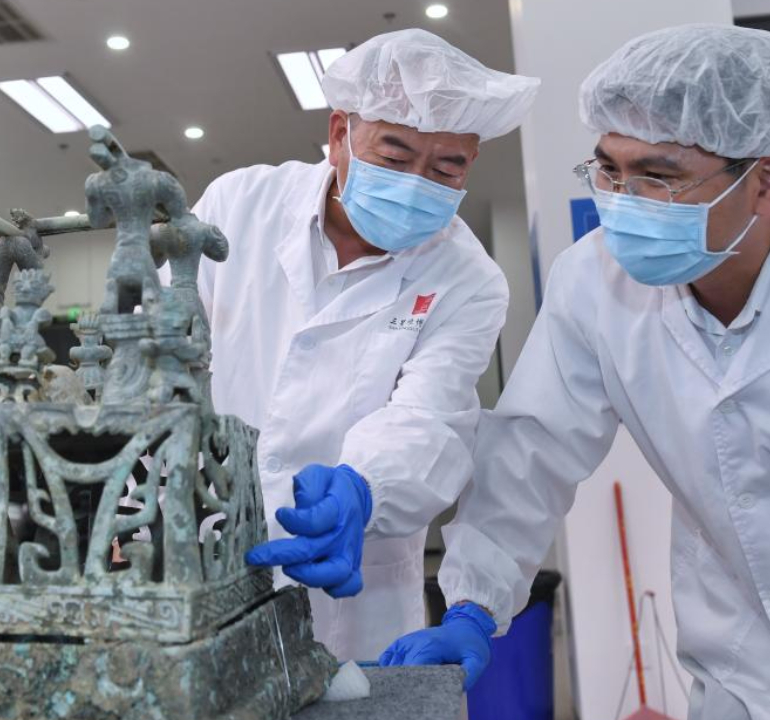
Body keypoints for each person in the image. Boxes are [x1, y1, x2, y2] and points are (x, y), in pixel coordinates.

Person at [383, 23, 770, 716]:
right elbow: (531, 452)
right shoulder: (593, 283)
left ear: (767, 181)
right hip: (734, 668)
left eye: (658, 177)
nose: (622, 202)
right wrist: (472, 607)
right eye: (608, 169)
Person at [184, 28, 540, 662]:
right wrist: (139, 506)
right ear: (339, 133)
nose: (417, 183)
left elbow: (430, 416)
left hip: (358, 583)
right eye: (396, 157)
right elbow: (162, 364)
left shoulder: (468, 278)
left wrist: (362, 487)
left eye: (446, 167)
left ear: (471, 163)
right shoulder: (240, 205)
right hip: (203, 549)